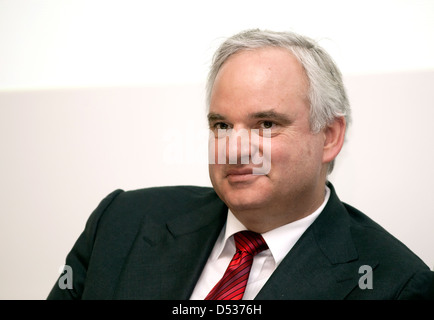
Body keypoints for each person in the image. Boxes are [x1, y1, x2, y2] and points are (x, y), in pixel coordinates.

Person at [47, 29, 434, 300]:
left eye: (266, 124)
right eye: (221, 125)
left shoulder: (396, 285)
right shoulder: (121, 223)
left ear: (329, 137)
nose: (233, 150)